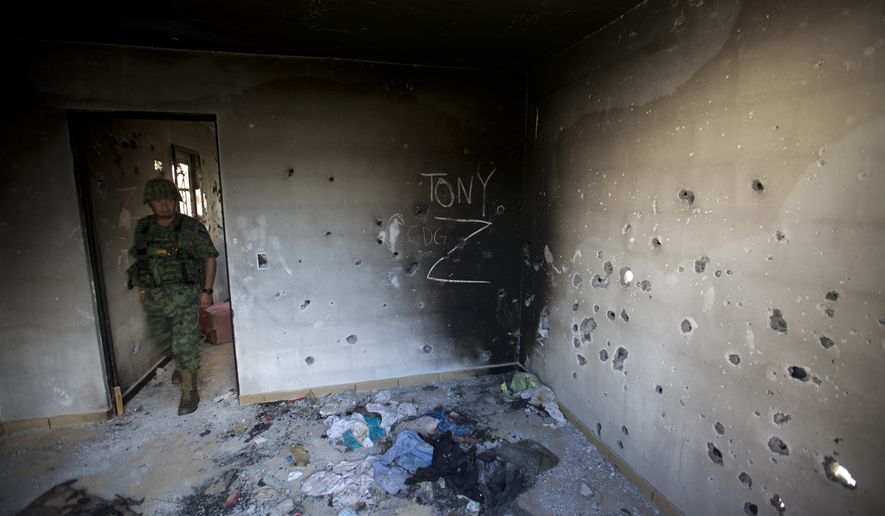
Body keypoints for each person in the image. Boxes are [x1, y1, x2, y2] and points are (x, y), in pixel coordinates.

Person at [127, 177, 218, 415]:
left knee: (185, 342)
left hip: (185, 296)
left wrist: (207, 291)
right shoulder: (144, 228)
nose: (165, 205)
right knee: (163, 340)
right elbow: (141, 261)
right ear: (150, 203)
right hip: (155, 297)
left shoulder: (190, 227)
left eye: (169, 199)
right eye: (159, 200)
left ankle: (190, 392)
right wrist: (141, 291)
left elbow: (209, 257)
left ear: (175, 201)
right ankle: (180, 362)